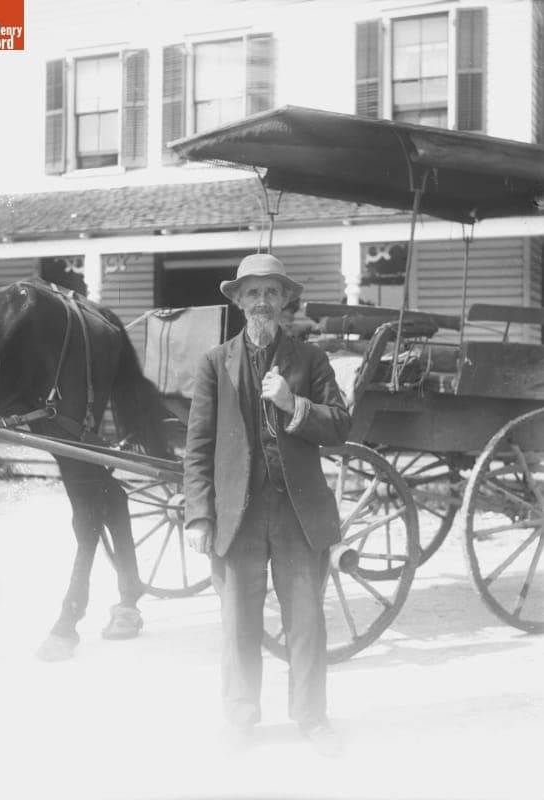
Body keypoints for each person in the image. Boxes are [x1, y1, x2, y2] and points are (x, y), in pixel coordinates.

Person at [183, 253, 350, 756]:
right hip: (240, 513)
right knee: (239, 622)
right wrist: (199, 513)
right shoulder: (214, 363)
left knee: (306, 619)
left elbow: (341, 424)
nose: (262, 302)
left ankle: (312, 717)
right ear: (237, 301)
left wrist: (292, 405)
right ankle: (240, 717)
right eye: (252, 293)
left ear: (285, 301)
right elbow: (197, 448)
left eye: (271, 293)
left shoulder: (310, 360)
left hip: (298, 511)